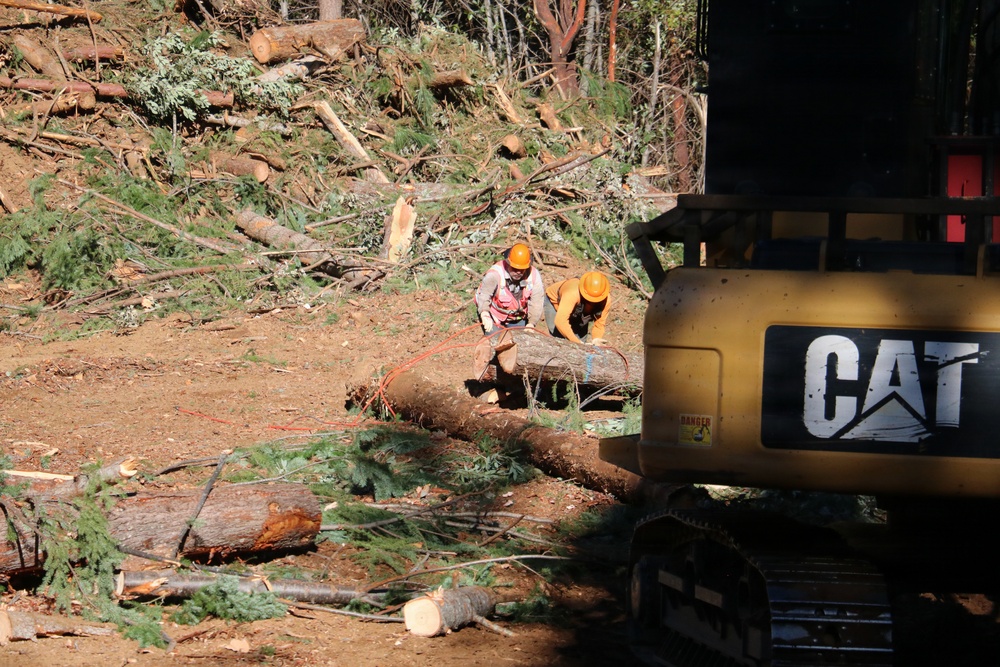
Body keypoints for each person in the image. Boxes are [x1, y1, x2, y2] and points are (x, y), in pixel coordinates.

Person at [475, 243, 545, 334]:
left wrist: (532, 323)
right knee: (494, 340)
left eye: (522, 269)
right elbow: (484, 295)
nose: (518, 272)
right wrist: (484, 313)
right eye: (515, 269)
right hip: (495, 315)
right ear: (508, 263)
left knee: (519, 342)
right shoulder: (495, 274)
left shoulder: (534, 276)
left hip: (516, 318)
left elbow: (537, 301)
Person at [544, 271, 612, 345]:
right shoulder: (572, 293)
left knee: (580, 340)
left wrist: (596, 338)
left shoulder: (605, 300)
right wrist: (578, 343)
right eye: (590, 299)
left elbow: (599, 324)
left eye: (596, 300)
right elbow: (560, 321)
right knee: (559, 338)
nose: (593, 302)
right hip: (556, 304)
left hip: (579, 313)